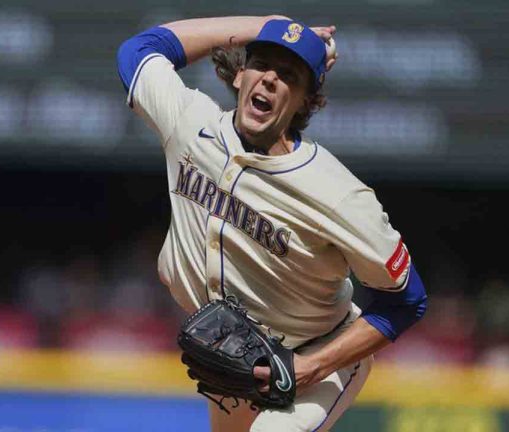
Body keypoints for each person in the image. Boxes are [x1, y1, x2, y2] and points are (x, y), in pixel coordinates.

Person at [117, 16, 428, 432]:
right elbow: (139, 50)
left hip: (317, 354)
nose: (269, 80)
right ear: (240, 73)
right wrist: (266, 24)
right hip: (231, 356)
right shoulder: (191, 125)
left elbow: (407, 300)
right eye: (262, 64)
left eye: (288, 76)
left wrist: (313, 367)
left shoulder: (337, 194)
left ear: (305, 101)